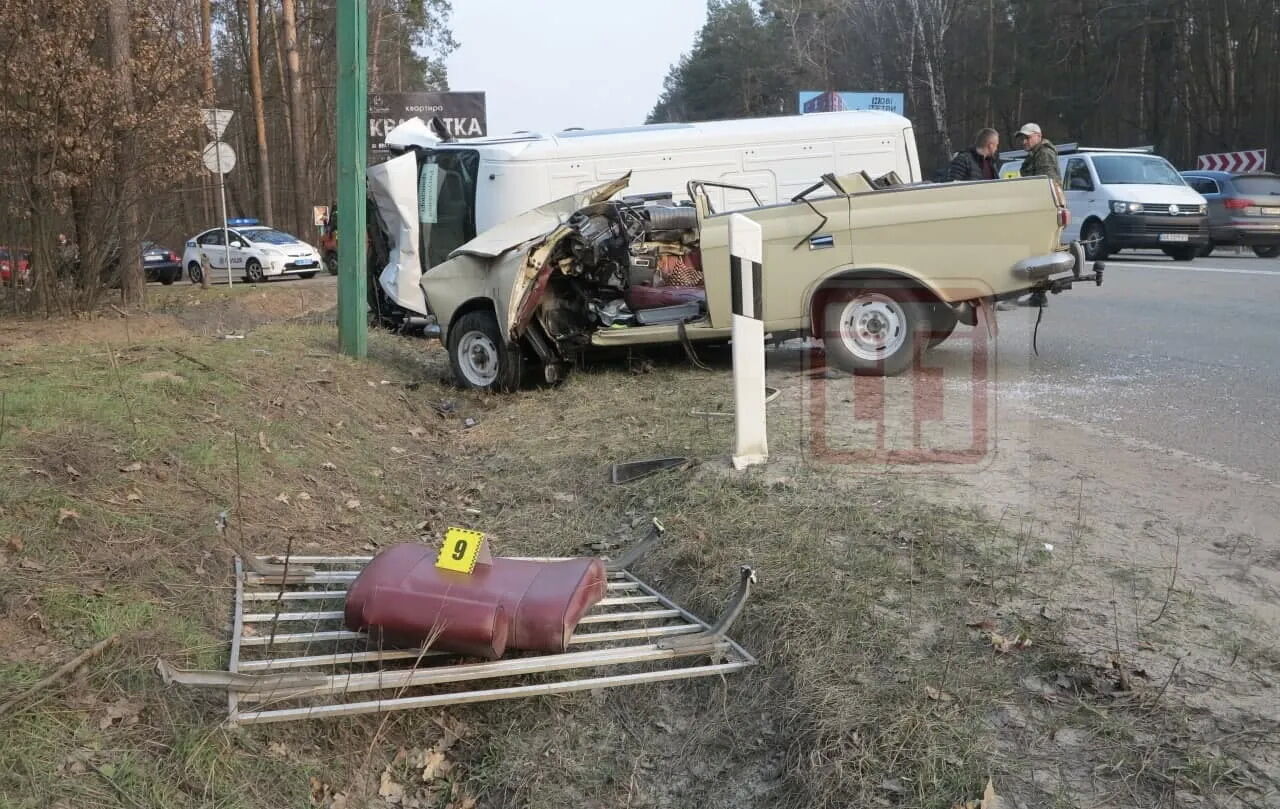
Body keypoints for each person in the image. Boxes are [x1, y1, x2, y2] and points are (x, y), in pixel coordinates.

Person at [1016, 123, 1060, 307]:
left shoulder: (1044, 154)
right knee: (1036, 253)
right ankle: (1037, 295)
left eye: (1027, 138)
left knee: (1039, 253)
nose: (1024, 142)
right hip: (1038, 209)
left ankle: (1039, 296)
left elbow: (1046, 183)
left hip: (1043, 210)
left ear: (1038, 136)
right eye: (1022, 139)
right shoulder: (1036, 154)